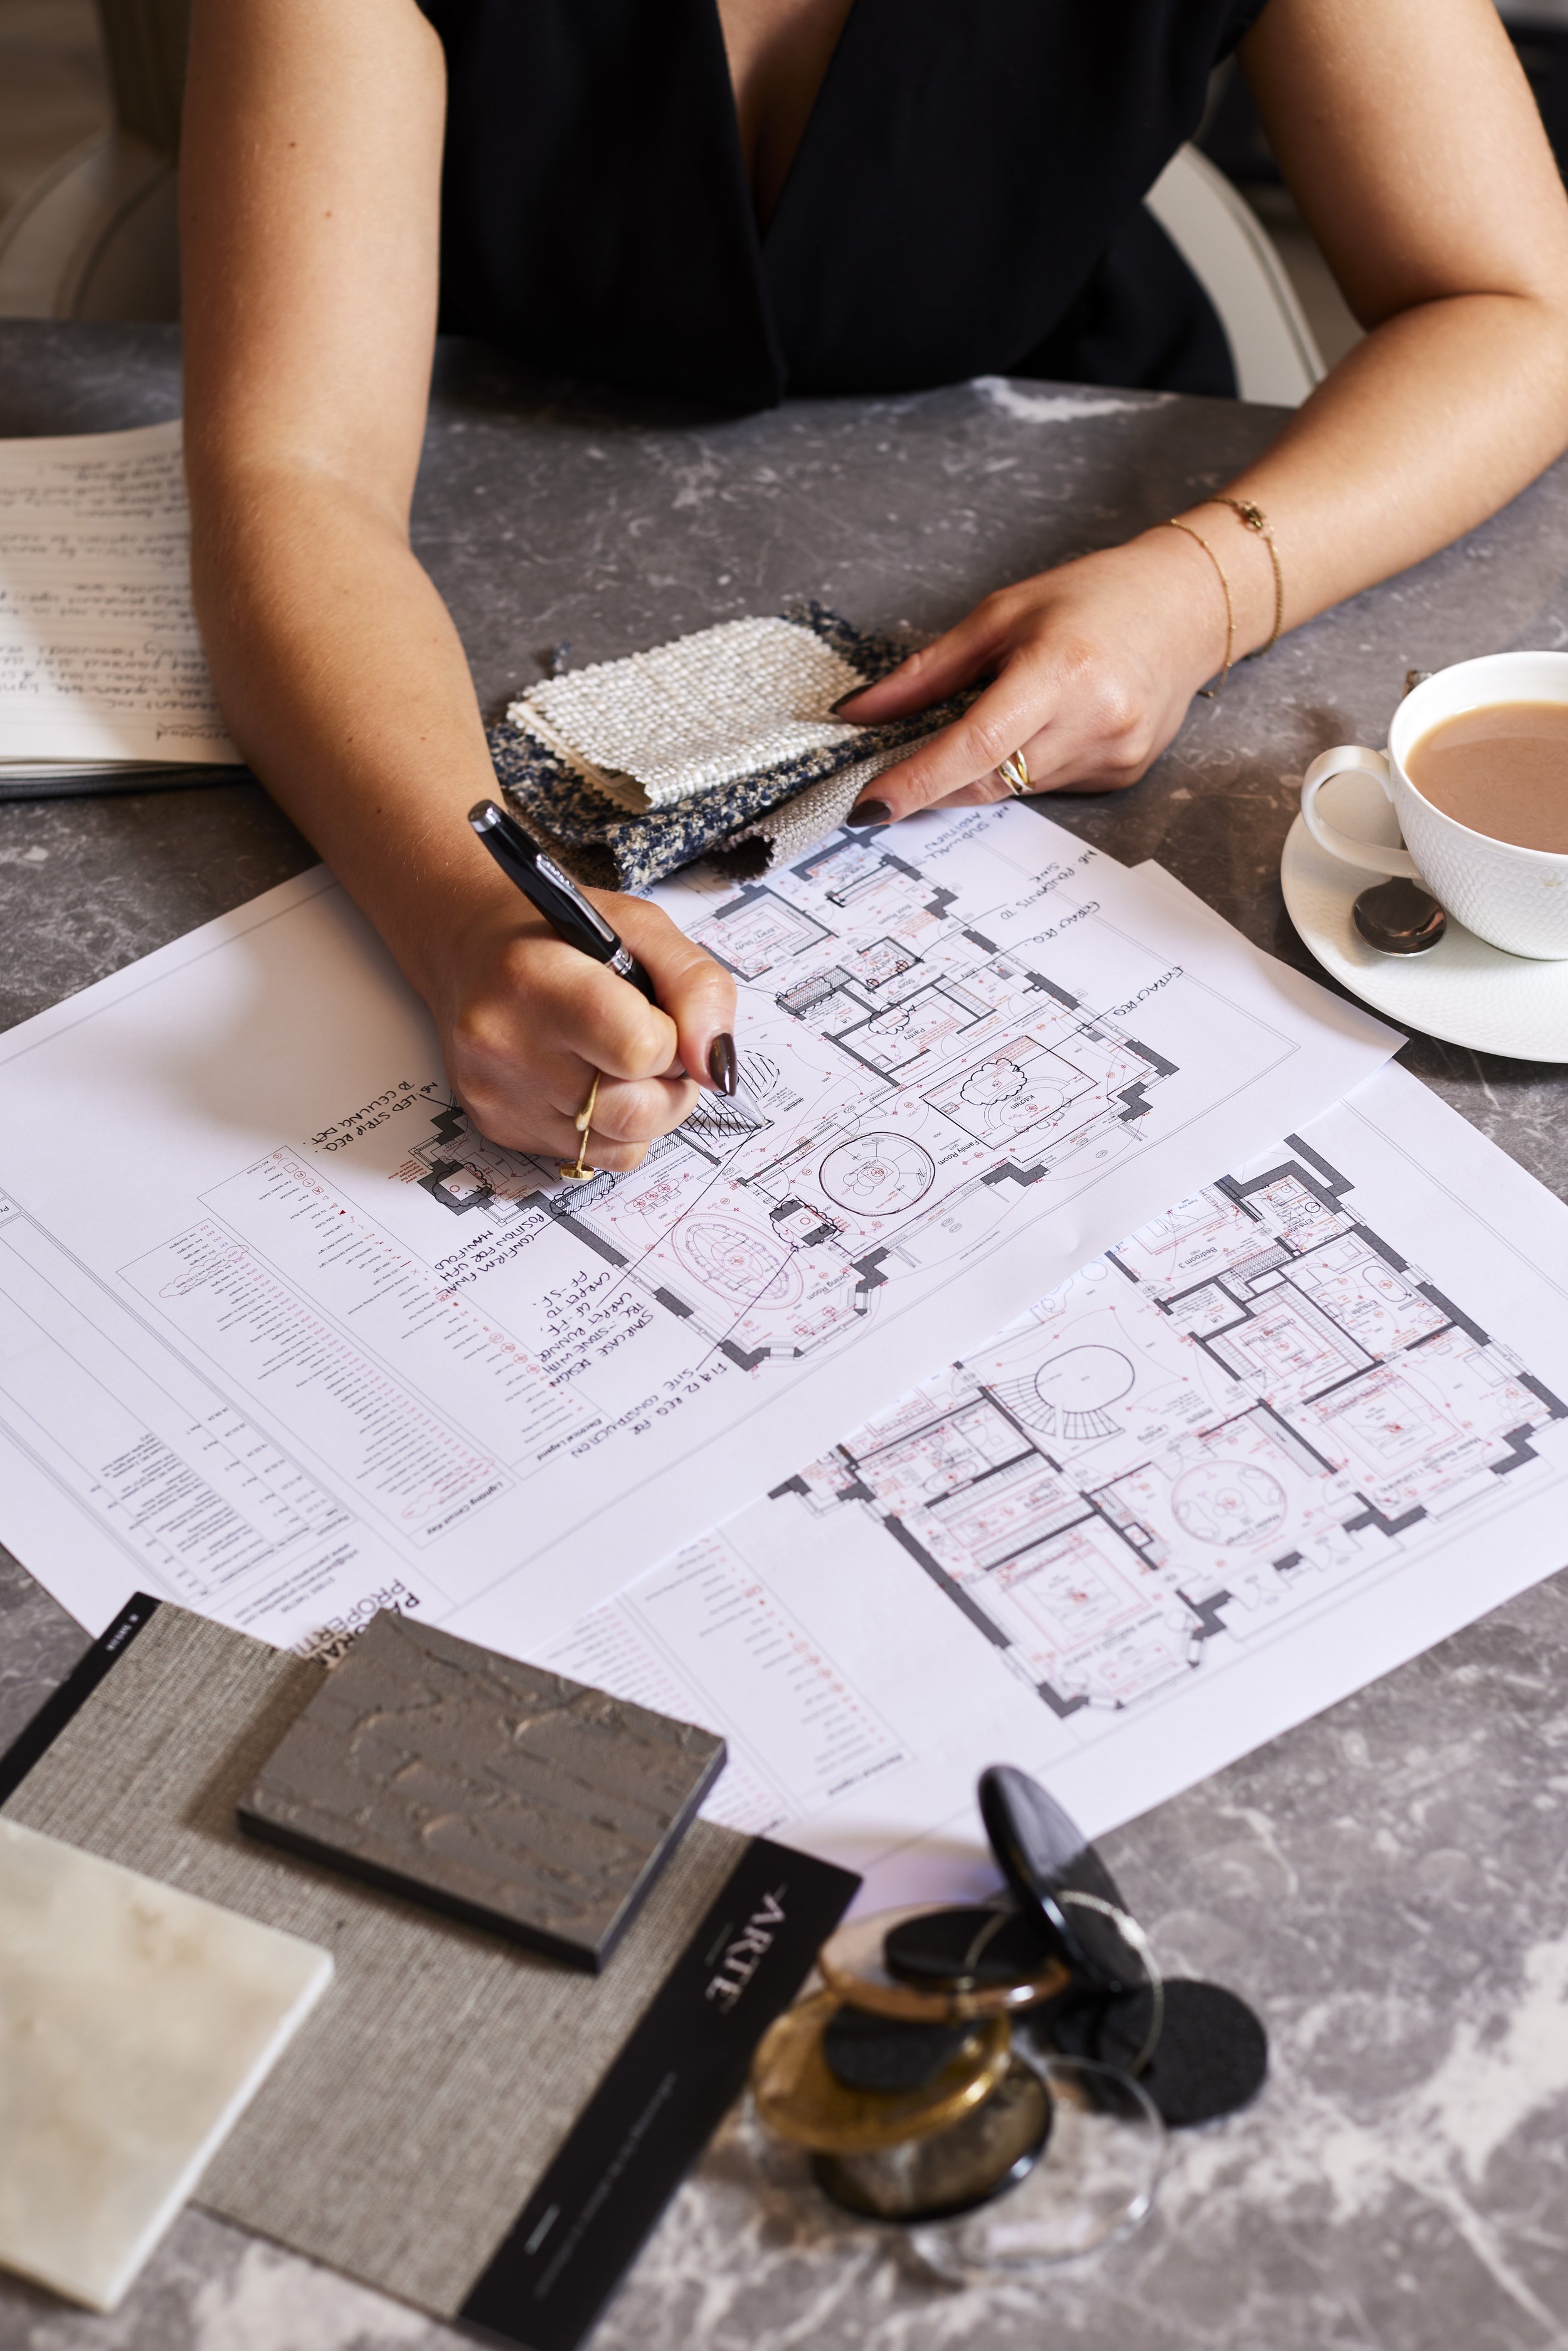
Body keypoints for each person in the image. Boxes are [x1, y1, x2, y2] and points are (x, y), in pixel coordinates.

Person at [181, 0, 1568, 1174]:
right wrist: (467, 908)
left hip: (1101, 532)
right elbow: (296, 473)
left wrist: (1204, 590)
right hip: (459, 572)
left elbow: (1521, 305)